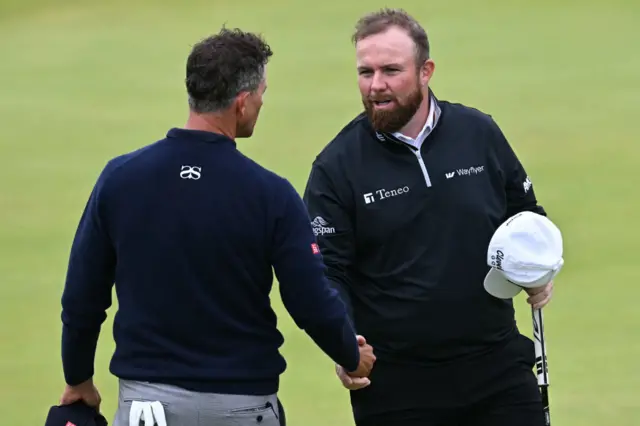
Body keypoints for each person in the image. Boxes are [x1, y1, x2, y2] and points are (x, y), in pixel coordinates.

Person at [57, 27, 375, 426]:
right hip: (242, 407)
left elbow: (82, 297)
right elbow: (310, 301)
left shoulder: (120, 179)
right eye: (261, 93)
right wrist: (350, 355)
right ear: (241, 103)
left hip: (146, 409)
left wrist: (78, 378)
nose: (262, 102)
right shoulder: (269, 193)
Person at [302, 8, 554, 426]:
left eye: (390, 70)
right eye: (365, 72)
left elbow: (524, 216)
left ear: (425, 71)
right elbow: (327, 271)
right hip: (398, 387)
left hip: (497, 368)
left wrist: (538, 268)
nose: (376, 86)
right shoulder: (337, 166)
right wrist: (345, 344)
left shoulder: (479, 134)